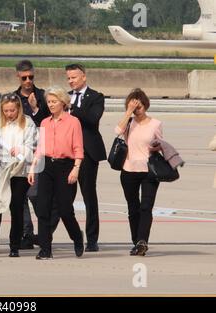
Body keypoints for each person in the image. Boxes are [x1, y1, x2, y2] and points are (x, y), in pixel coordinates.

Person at [28, 86, 84, 260]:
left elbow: (78, 148)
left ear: (63, 102)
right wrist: (32, 168)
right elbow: (40, 148)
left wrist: (76, 168)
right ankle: (45, 249)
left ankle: (76, 237)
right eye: (49, 102)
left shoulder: (73, 122)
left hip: (66, 166)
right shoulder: (45, 122)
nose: (51, 105)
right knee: (43, 208)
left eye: (54, 102)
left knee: (65, 209)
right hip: (46, 166)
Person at [0, 93, 37, 257]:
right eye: (6, 111)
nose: (9, 114)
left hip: (18, 171)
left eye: (12, 110)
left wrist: (21, 150)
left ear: (18, 108)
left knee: (16, 207)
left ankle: (15, 244)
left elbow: (33, 145)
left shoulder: (28, 123)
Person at [115, 88, 162, 256]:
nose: (137, 108)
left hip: (149, 171)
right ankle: (136, 241)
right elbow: (117, 131)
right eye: (133, 106)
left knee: (146, 207)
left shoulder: (155, 123)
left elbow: (160, 143)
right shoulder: (128, 122)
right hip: (128, 170)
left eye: (139, 105)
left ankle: (142, 241)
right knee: (133, 208)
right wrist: (128, 113)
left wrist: (157, 146)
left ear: (145, 105)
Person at [65, 63, 106, 252]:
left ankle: (92, 239)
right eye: (68, 78)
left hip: (88, 153)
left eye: (74, 77)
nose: (71, 81)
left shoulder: (96, 97)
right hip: (68, 153)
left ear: (83, 77)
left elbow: (92, 119)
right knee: (64, 197)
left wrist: (71, 107)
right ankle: (71, 234)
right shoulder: (64, 98)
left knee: (89, 196)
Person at [13, 60, 50, 250]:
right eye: (24, 78)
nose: (28, 81)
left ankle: (46, 229)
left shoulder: (44, 97)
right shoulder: (12, 98)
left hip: (38, 153)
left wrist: (36, 108)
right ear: (18, 77)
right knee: (19, 197)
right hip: (18, 154)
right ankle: (26, 233)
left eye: (31, 77)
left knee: (35, 194)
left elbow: (47, 123)